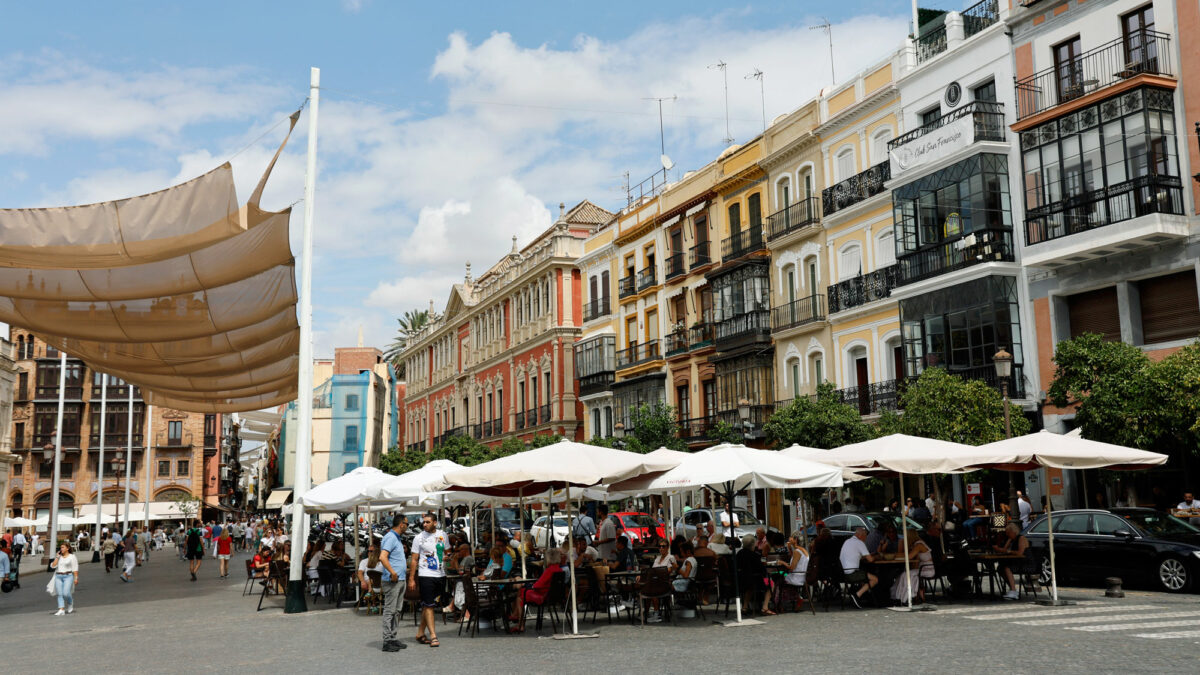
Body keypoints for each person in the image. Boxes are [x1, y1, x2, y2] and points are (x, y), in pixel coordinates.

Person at [408, 512, 445, 649]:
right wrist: (412, 579)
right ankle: (433, 635)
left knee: (429, 605)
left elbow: (446, 552)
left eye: (428, 522)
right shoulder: (418, 538)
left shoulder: (443, 535)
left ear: (435, 523)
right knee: (429, 606)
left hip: (440, 575)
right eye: (424, 522)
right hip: (425, 574)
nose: (424, 524)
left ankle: (419, 633)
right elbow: (414, 559)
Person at [507, 547, 563, 632]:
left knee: (520, 595)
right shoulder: (559, 569)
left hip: (543, 596)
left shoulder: (549, 570)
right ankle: (516, 616)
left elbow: (537, 585)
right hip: (552, 595)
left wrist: (529, 585)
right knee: (522, 591)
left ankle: (520, 623)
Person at [378, 514, 409, 652]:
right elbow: (382, 557)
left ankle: (393, 637)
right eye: (407, 524)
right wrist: (393, 572)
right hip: (393, 580)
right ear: (401, 524)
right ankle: (387, 640)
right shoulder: (390, 537)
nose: (407, 526)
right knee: (390, 611)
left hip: (400, 579)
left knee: (397, 611)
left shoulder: (396, 538)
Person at [889, 529, 932, 604]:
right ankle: (906, 596)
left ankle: (905, 597)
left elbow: (909, 556)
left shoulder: (919, 545)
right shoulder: (918, 544)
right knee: (907, 575)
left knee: (906, 574)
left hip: (927, 569)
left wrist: (896, 555)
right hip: (924, 568)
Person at [993, 522, 1034, 601]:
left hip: (1026, 563)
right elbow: (1005, 550)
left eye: (1008, 533)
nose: (1007, 534)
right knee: (1000, 568)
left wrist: (1009, 551)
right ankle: (1012, 588)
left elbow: (1020, 553)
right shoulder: (1012, 539)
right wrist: (1008, 541)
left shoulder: (1021, 538)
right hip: (1018, 562)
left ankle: (1013, 591)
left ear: (1013, 531)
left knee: (1007, 568)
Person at [735, 533, 773, 615]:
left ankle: (745, 607)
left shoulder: (739, 554)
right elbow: (762, 570)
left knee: (750, 586)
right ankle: (765, 607)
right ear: (753, 544)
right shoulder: (754, 555)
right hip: (754, 581)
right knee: (771, 583)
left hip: (740, 580)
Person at [839, 527, 878, 608]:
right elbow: (870, 560)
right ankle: (857, 595)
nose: (866, 538)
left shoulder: (847, 541)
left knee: (864, 575)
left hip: (843, 573)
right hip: (852, 574)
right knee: (875, 579)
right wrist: (877, 557)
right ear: (861, 535)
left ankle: (863, 596)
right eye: (865, 536)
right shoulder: (859, 543)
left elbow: (855, 556)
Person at [776, 532, 809, 611]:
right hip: (802, 576)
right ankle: (796, 597)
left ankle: (779, 604)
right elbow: (795, 560)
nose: (789, 539)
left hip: (795, 577)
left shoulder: (797, 551)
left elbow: (791, 568)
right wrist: (790, 549)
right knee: (781, 576)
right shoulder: (803, 550)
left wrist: (782, 562)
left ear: (795, 540)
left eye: (791, 537)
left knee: (777, 579)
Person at [50, 541, 79, 616]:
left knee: (66, 593)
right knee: (60, 593)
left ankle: (70, 602)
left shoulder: (72, 557)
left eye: (63, 547)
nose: (61, 549)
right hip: (58, 576)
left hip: (68, 576)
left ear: (67, 548)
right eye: (61, 547)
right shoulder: (59, 557)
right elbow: (53, 566)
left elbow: (75, 568)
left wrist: (76, 578)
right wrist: (57, 557)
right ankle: (61, 609)